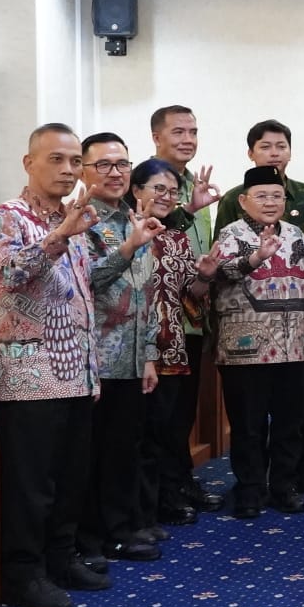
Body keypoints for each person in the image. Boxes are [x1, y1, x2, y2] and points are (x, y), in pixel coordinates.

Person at [0, 123, 107, 607]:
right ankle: (23, 575)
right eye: (56, 159)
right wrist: (59, 236)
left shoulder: (73, 218)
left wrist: (92, 369)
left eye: (75, 161)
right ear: (29, 163)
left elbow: (83, 297)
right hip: (29, 373)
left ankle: (61, 559)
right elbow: (11, 273)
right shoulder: (8, 217)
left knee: (71, 478)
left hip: (75, 368)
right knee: (31, 485)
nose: (67, 169)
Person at [210, 166, 304, 518]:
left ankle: (282, 486)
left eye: (277, 196)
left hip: (294, 348)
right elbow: (219, 272)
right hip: (244, 349)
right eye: (261, 196)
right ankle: (250, 490)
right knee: (248, 426)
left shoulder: (295, 234)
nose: (270, 202)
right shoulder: (230, 234)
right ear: (243, 201)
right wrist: (256, 257)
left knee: (290, 425)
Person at [78, 132, 165, 564]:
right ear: (83, 171)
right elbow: (88, 280)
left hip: (131, 358)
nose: (115, 173)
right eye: (104, 165)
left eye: (122, 164)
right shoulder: (82, 222)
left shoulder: (134, 216)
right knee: (94, 454)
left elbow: (146, 291)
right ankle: (95, 536)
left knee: (124, 449)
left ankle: (122, 526)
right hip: (95, 358)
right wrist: (129, 248)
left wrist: (148, 354)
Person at [129, 158, 213, 548]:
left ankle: (161, 502)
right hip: (131, 352)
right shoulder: (123, 232)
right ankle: (137, 513)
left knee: (165, 432)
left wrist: (205, 276)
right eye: (158, 188)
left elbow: (190, 296)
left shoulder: (177, 237)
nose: (166, 197)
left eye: (172, 191)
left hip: (172, 347)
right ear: (136, 191)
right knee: (137, 436)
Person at [150, 104, 223, 521]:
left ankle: (180, 481)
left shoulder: (197, 183)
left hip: (192, 314)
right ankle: (164, 492)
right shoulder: (149, 182)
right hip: (157, 320)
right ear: (157, 137)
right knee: (161, 415)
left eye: (193, 131)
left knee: (182, 412)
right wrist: (188, 210)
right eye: (178, 131)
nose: (188, 139)